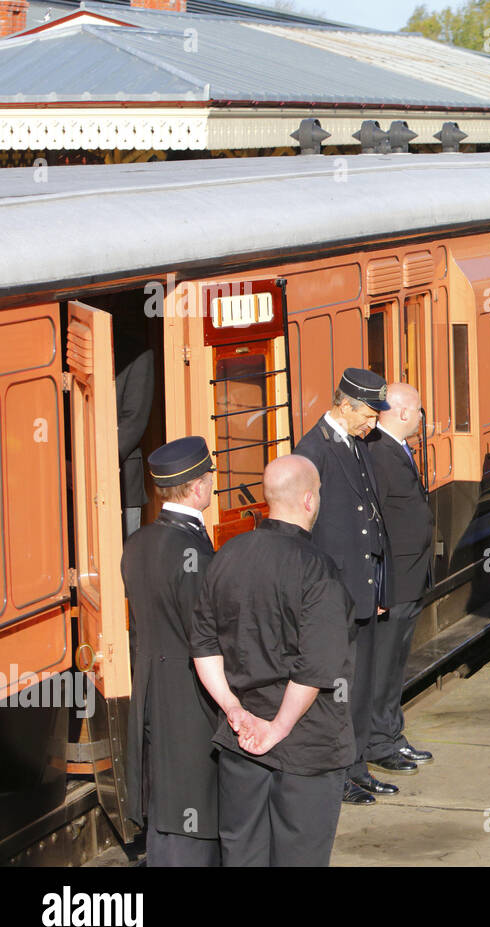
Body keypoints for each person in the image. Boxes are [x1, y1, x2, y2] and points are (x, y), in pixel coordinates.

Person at [191, 455, 355, 867]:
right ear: (308, 501)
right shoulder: (318, 570)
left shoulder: (224, 556)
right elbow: (316, 666)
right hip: (306, 747)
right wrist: (276, 729)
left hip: (240, 741)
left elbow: (204, 646)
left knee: (242, 853)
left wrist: (234, 710)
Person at [293, 367, 395, 805]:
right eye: (368, 415)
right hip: (335, 592)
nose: (373, 425)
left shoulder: (356, 443)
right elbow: (308, 528)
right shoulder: (312, 450)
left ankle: (358, 766)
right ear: (345, 405)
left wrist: (378, 588)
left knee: (360, 684)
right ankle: (339, 775)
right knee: (339, 690)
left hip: (363, 587)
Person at [121, 436, 220, 866]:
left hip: (149, 690)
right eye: (209, 478)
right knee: (193, 806)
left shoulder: (137, 544)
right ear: (198, 488)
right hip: (188, 696)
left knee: (164, 804)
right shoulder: (194, 550)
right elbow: (204, 634)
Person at [361, 383, 436, 773]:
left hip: (410, 578)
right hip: (394, 582)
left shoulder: (395, 449)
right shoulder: (378, 452)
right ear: (404, 413)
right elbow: (375, 525)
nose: (423, 418)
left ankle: (392, 733)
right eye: (420, 411)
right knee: (384, 664)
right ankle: (378, 742)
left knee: (397, 663)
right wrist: (379, 582)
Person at [115, 335, 155, 539]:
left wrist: (98, 465)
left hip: (124, 480)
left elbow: (135, 420)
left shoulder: (139, 356)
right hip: (76, 479)